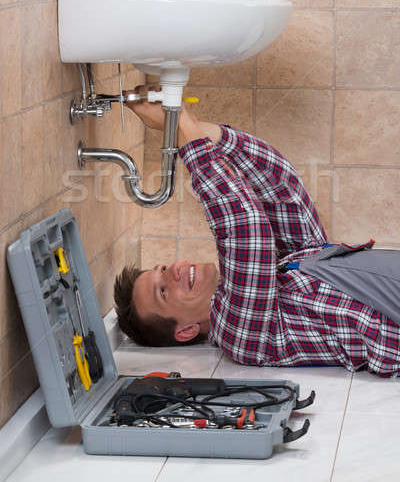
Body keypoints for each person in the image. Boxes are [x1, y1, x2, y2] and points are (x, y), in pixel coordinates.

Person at [114, 88, 400, 377]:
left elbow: (280, 184)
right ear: (186, 331)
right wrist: (180, 128)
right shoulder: (241, 336)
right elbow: (245, 229)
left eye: (162, 269)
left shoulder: (279, 276)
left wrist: (195, 127)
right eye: (163, 291)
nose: (172, 271)